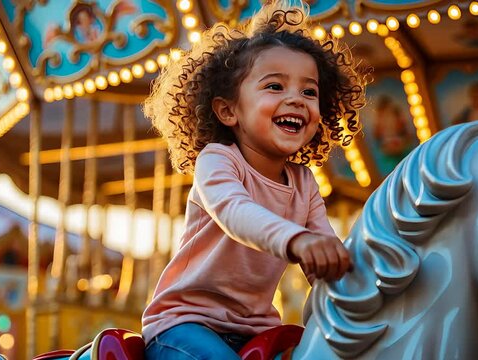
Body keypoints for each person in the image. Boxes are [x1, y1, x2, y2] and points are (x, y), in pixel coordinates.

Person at [141, 1, 366, 359]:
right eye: (275, 86)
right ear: (228, 110)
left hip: (257, 329)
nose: (296, 99)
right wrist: (298, 241)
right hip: (185, 324)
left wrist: (359, 277)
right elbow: (236, 213)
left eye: (309, 92)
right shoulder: (218, 161)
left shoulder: (304, 182)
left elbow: (326, 253)